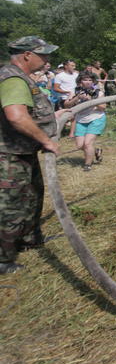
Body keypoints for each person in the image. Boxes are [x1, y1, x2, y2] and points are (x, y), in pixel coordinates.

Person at [0, 36, 64, 274]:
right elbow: (16, 116)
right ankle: (3, 259)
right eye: (43, 54)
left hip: (23, 152)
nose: (47, 60)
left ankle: (29, 239)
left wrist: (54, 117)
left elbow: (31, 112)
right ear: (27, 55)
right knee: (10, 205)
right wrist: (46, 140)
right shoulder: (13, 78)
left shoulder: (23, 78)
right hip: (8, 156)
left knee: (32, 196)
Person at [64, 72, 107, 171]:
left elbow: (103, 107)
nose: (87, 82)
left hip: (96, 118)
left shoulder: (98, 92)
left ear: (93, 82)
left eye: (90, 80)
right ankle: (96, 151)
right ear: (80, 81)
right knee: (80, 145)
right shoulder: (74, 91)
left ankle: (88, 164)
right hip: (81, 120)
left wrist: (91, 100)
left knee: (87, 143)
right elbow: (66, 105)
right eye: (85, 80)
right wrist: (77, 98)